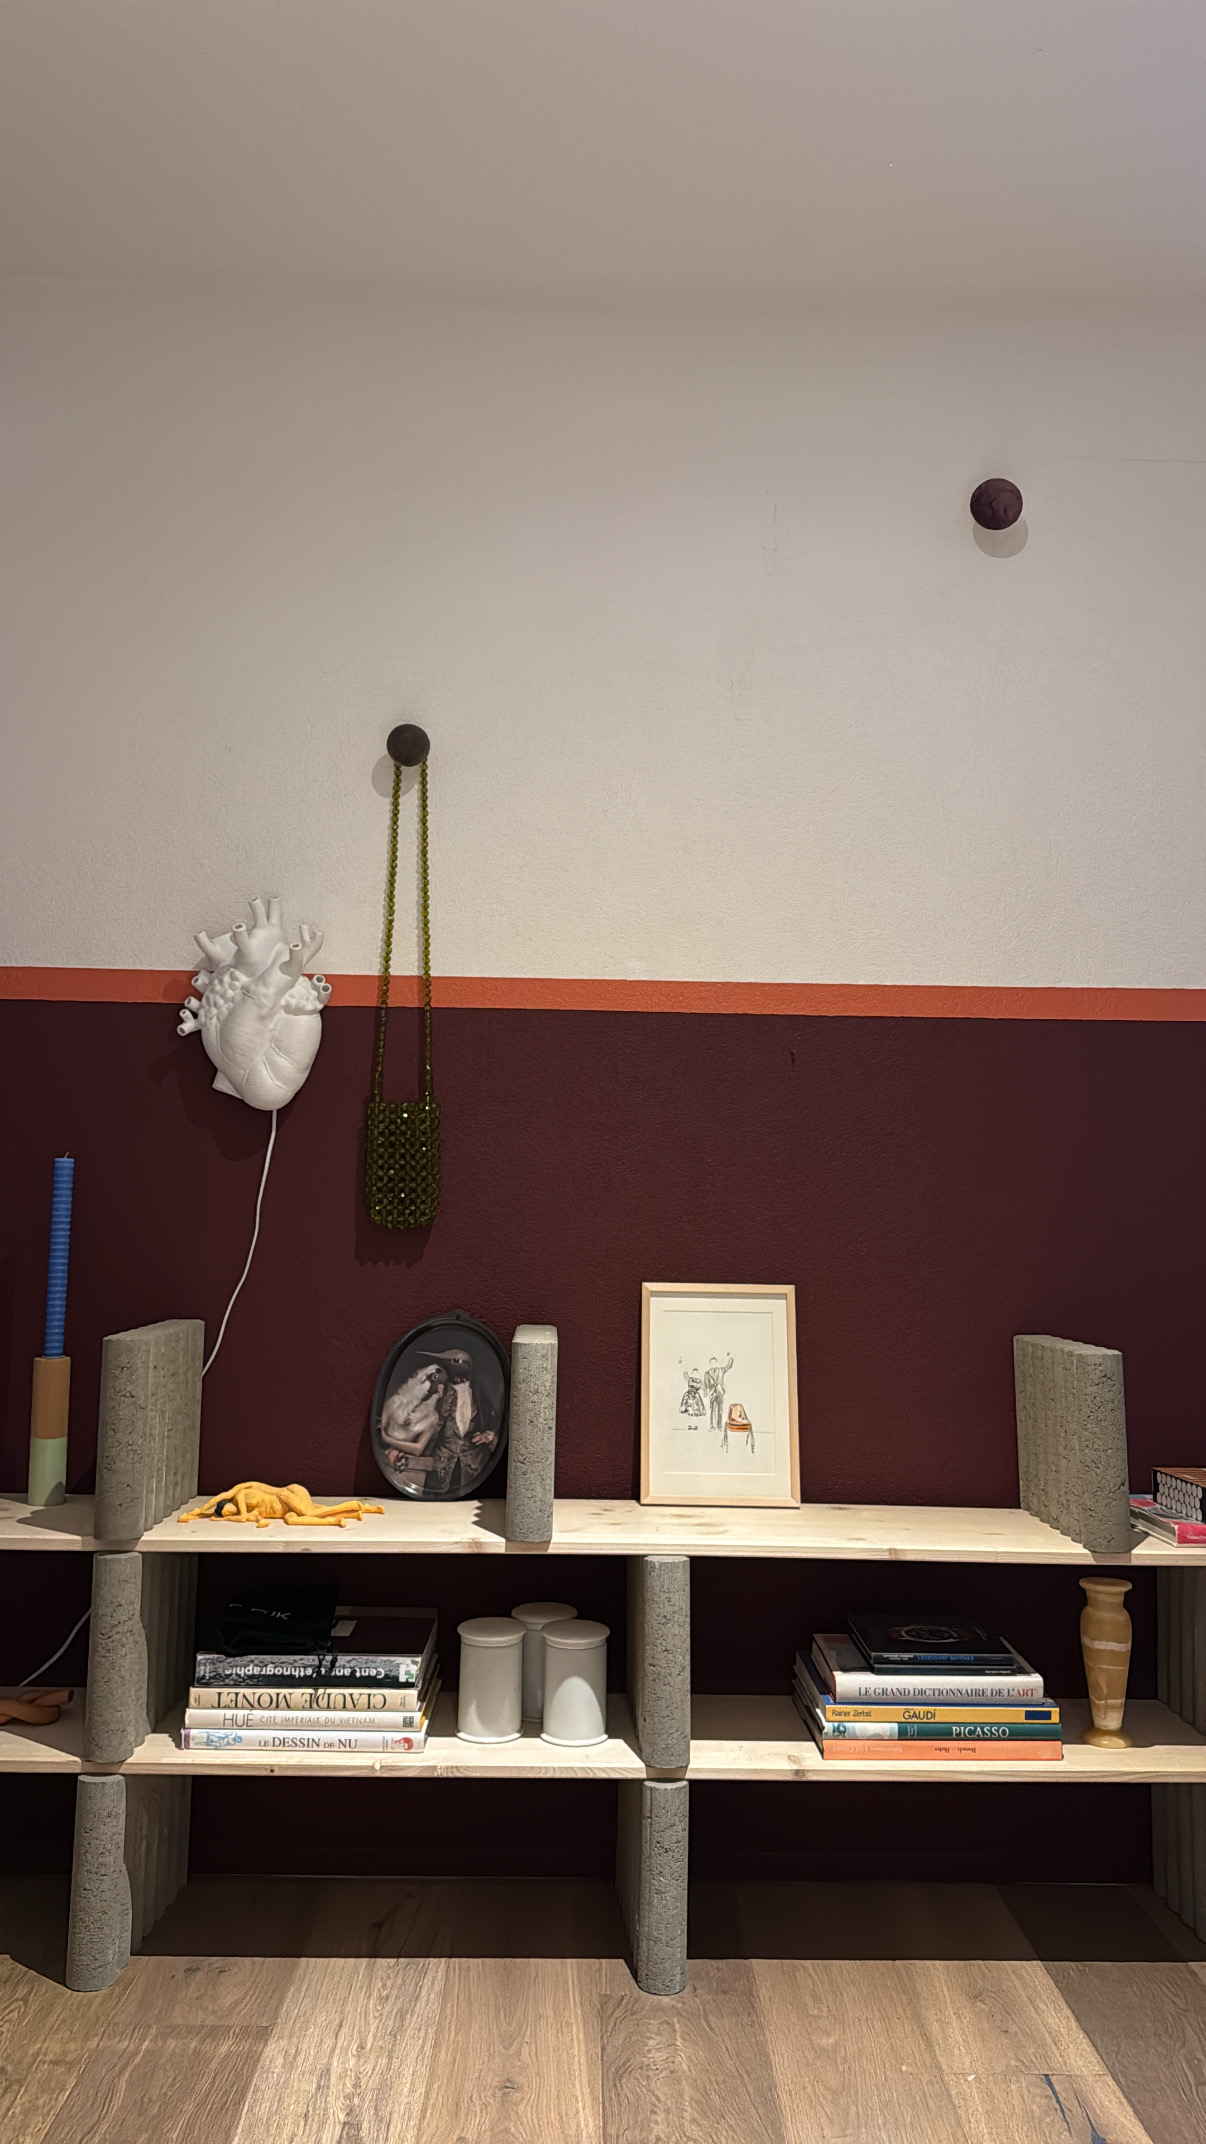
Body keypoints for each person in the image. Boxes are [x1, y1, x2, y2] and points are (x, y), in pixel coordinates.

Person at [705, 1353, 734, 1436]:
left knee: (720, 1410)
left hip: (720, 1392)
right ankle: (712, 1426)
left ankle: (719, 1426)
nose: (713, 1364)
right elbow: (705, 1384)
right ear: (710, 1364)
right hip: (712, 1393)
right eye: (712, 1363)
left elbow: (728, 1366)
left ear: (716, 1363)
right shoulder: (707, 1373)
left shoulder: (721, 1370)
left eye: (714, 1363)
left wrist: (731, 1358)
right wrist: (706, 1393)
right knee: (712, 1411)